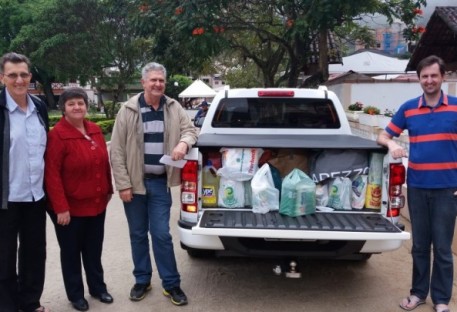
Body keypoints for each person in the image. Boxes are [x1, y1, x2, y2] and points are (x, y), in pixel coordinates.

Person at [110, 62, 197, 306]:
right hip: (134, 185)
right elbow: (116, 151)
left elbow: (190, 130)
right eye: (153, 80)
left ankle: (171, 284)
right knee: (137, 234)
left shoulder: (173, 107)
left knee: (161, 235)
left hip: (160, 184)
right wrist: (123, 184)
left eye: (161, 80)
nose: (158, 84)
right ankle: (142, 280)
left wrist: (183, 143)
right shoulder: (128, 110)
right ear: (143, 83)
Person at [377, 55, 457, 312]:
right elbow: (383, 135)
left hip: (448, 189)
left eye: (434, 75)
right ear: (419, 79)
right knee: (420, 246)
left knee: (443, 248)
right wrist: (392, 144)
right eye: (425, 76)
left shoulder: (456, 107)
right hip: (418, 187)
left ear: (443, 77)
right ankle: (418, 293)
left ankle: (442, 299)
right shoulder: (409, 108)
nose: (429, 80)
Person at [45, 87, 113, 311]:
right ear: (63, 108)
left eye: (81, 103)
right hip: (70, 209)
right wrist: (60, 208)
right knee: (71, 253)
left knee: (94, 250)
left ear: (86, 105)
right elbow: (51, 174)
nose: (77, 107)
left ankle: (98, 288)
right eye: (71, 103)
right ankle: (76, 294)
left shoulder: (94, 130)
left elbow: (103, 163)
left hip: (96, 204)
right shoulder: (57, 135)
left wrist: (108, 190)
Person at [0, 52, 49, 312]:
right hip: (6, 199)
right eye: (12, 75)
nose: (19, 80)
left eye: (23, 74)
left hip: (35, 197)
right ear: (2, 77)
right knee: (4, 257)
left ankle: (30, 302)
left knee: (33, 254)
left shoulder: (39, 106)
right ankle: (7, 306)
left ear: (30, 76)